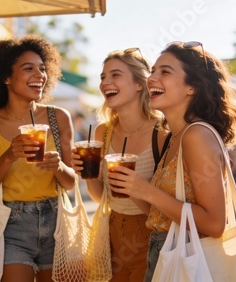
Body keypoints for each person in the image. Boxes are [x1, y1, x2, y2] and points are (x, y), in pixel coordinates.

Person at [103, 41, 236, 281]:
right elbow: (161, 216)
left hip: (189, 262)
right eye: (153, 71)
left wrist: (147, 190)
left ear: (192, 87)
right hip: (165, 257)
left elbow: (214, 224)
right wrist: (134, 189)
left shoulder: (197, 135)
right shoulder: (174, 136)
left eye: (165, 72)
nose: (152, 78)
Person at [0, 34, 77, 282]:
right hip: (9, 225)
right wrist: (8, 157)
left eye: (42, 68)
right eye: (28, 69)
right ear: (6, 77)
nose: (39, 75)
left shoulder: (58, 118)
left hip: (56, 222)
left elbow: (70, 183)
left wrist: (58, 166)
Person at [71, 48, 170, 281]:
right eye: (103, 77)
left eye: (115, 75)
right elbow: (101, 197)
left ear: (139, 84)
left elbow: (167, 210)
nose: (105, 82)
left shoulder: (163, 133)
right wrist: (88, 174)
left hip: (150, 234)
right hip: (111, 231)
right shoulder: (102, 132)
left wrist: (133, 188)